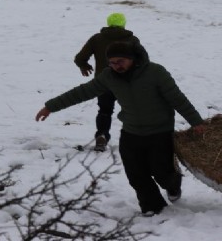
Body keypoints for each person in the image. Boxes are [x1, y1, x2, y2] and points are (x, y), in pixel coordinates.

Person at [36, 41, 205, 217]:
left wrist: (196, 122)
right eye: (112, 62)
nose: (116, 66)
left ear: (132, 58)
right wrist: (51, 107)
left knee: (161, 171)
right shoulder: (109, 76)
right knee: (136, 175)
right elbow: (82, 92)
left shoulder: (155, 72)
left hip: (160, 132)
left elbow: (177, 99)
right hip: (131, 133)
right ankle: (153, 208)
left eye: (120, 61)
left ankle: (172, 184)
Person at [74, 12, 141, 152]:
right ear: (124, 24)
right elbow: (141, 61)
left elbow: (80, 58)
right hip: (127, 82)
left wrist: (84, 67)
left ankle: (102, 135)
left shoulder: (97, 39)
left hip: (103, 82)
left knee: (105, 111)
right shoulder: (132, 40)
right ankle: (135, 139)